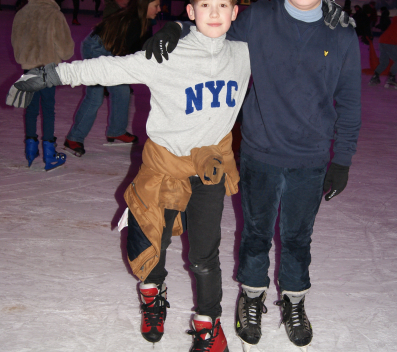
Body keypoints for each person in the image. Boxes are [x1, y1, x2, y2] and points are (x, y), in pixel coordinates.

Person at [8, 0, 251, 350]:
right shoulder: (167, 56)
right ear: (191, 10)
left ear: (235, 12)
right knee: (155, 242)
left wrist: (330, 17)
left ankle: (207, 323)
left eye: (223, 4)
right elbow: (108, 69)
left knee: (205, 256)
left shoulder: (243, 53)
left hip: (209, 172)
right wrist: (51, 74)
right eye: (205, 5)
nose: (215, 13)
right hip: (165, 169)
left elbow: (286, 36)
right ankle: (153, 297)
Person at [142, 0, 360, 351]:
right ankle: (252, 296)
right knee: (256, 234)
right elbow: (211, 33)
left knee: (298, 238)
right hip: (261, 152)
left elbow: (350, 99)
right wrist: (175, 29)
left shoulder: (341, 32)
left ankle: (294, 300)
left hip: (311, 156)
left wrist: (343, 160)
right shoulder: (258, 19)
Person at [63, 0, 160, 157]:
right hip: (96, 48)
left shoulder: (144, 23)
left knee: (122, 91)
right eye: (155, 6)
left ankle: (117, 131)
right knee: (95, 96)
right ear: (143, 6)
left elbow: (140, 52)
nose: (159, 9)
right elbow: (130, 55)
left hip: (114, 51)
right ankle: (73, 138)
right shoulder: (132, 21)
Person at [11, 0, 74, 171]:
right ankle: (49, 154)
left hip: (29, 70)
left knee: (31, 109)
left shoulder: (22, 13)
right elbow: (66, 50)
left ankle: (30, 151)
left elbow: (16, 45)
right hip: (47, 70)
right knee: (48, 109)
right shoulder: (54, 14)